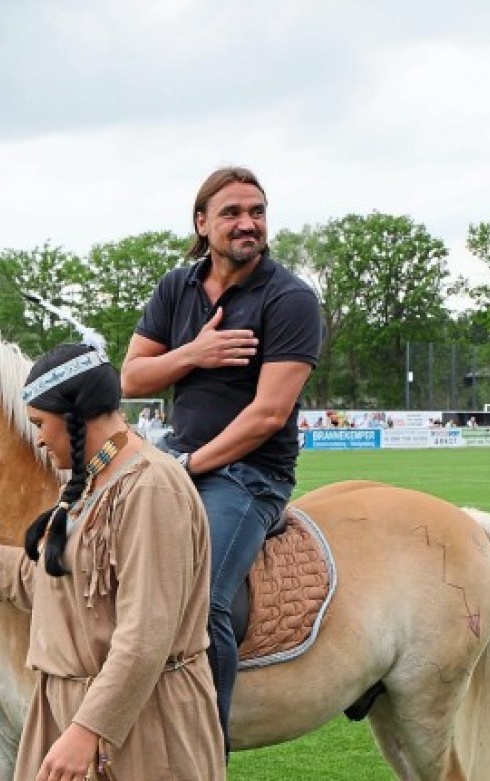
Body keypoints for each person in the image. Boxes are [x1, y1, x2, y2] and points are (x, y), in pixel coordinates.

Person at [0, 343, 223, 780]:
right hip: (76, 714)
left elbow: (145, 634)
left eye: (40, 423)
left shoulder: (151, 487)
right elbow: (48, 582)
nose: (38, 438)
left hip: (143, 728)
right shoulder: (89, 483)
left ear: (74, 414)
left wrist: (88, 730)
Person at [120, 166, 323, 755]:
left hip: (250, 475)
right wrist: (194, 352)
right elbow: (131, 377)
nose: (247, 223)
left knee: (201, 598)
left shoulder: (290, 299)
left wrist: (187, 467)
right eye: (232, 213)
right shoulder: (176, 288)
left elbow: (268, 415)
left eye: (257, 212)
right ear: (201, 223)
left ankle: (203, 750)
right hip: (176, 458)